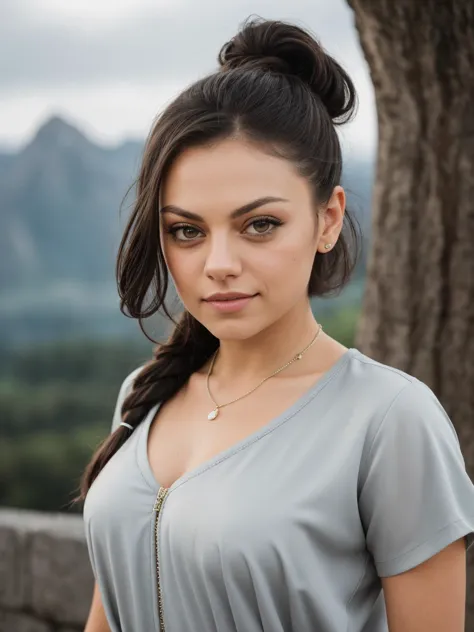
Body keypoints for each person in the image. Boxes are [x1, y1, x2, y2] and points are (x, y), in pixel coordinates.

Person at [81, 17, 474, 632]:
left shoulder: (389, 420)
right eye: (186, 231)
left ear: (327, 218)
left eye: (259, 224)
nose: (219, 266)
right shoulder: (143, 395)